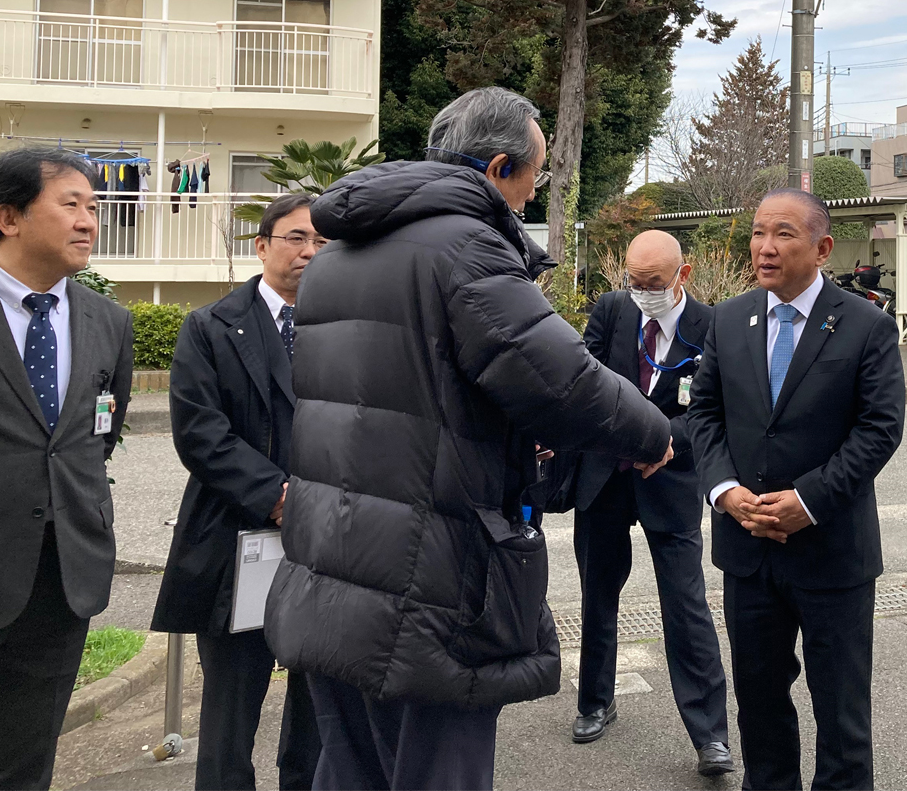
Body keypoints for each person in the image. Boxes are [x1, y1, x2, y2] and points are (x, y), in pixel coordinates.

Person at [264, 86, 674, 791]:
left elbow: (414, 389)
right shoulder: (466, 247)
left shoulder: (336, 256)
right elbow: (562, 380)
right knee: (436, 770)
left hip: (331, 561)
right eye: (533, 177)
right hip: (429, 571)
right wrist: (652, 431)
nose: (531, 195)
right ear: (496, 168)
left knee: (352, 768)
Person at [685, 189, 905, 791]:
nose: (765, 247)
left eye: (783, 233)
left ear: (822, 247)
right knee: (758, 702)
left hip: (832, 551)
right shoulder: (729, 320)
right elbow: (703, 414)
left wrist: (808, 502)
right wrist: (724, 489)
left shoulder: (866, 326)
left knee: (840, 711)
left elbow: (880, 430)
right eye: (758, 232)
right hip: (748, 550)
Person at [150, 193, 324, 791]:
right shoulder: (210, 326)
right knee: (230, 713)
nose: (310, 251)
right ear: (261, 246)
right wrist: (279, 496)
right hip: (235, 541)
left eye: (323, 242)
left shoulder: (349, 327)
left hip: (329, 544)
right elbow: (200, 433)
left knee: (319, 710)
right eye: (296, 238)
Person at [0, 148, 133, 790]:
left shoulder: (109, 321)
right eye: (71, 205)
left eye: (94, 208)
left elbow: (98, 434)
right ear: (8, 216)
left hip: (62, 571)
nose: (89, 221)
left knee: (21, 763)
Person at [570, 229, 732, 776]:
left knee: (686, 606)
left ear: (682, 276)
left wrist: (668, 442)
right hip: (605, 479)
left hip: (671, 483)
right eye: (635, 282)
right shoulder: (612, 312)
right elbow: (582, 383)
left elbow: (711, 412)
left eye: (654, 283)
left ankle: (711, 735)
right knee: (598, 594)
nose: (643, 293)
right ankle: (595, 701)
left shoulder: (709, 328)